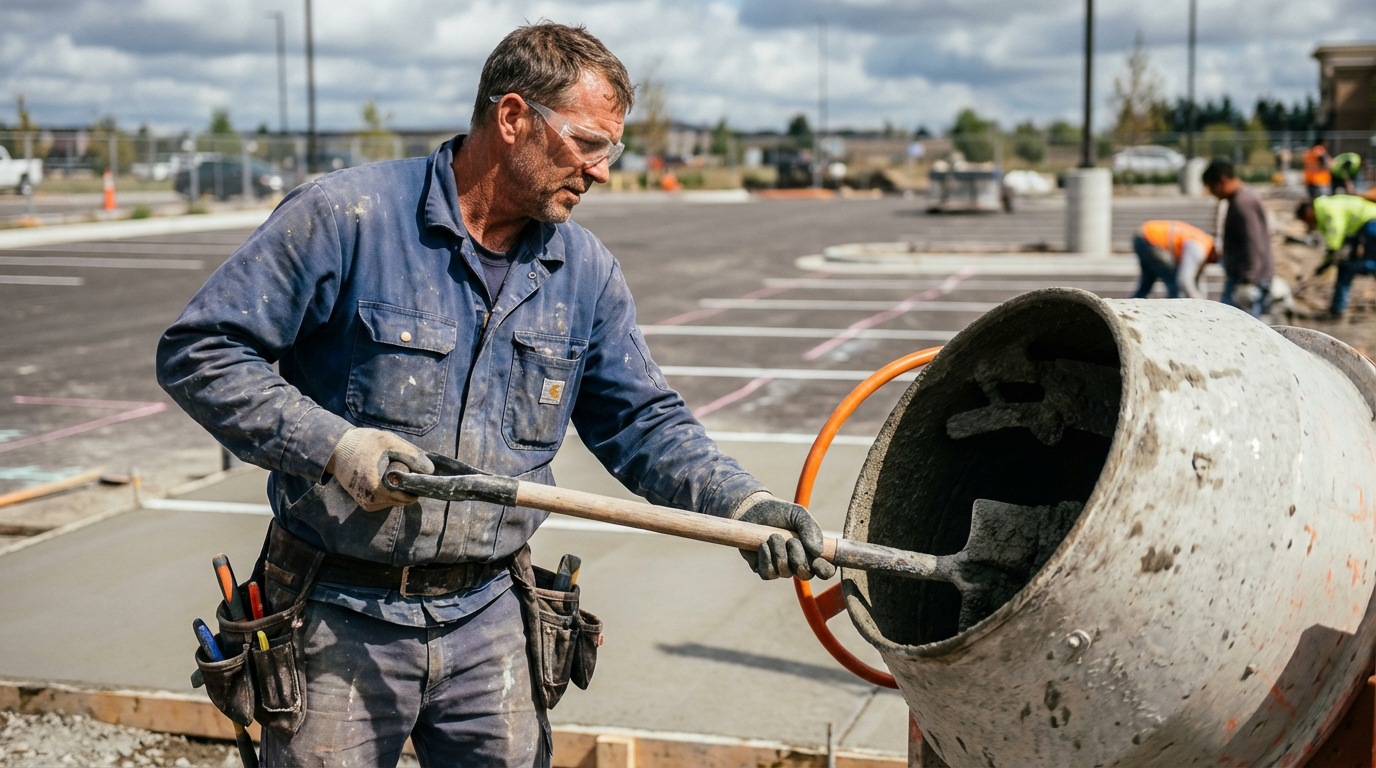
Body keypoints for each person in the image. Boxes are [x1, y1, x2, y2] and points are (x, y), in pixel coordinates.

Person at [157, 23, 833, 768]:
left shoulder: (584, 273)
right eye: (587, 142)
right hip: (337, 612)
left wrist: (740, 505)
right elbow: (202, 353)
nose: (602, 170)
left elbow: (641, 420)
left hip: (490, 620)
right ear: (512, 119)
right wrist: (335, 446)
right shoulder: (347, 219)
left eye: (612, 147)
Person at [1203, 159, 1275, 318]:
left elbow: (1253, 242)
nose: (1213, 194)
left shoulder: (1243, 203)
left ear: (1222, 180)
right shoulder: (1239, 199)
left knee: (1239, 329)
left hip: (1248, 279)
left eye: (1211, 188)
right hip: (1247, 277)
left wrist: (1248, 281)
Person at [1296, 195, 1376, 318]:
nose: (1307, 225)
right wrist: (1326, 262)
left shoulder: (1327, 209)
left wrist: (1331, 256)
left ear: (1308, 212)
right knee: (1345, 267)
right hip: (1359, 227)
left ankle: (1339, 307)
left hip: (1370, 221)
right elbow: (1333, 243)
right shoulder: (1322, 212)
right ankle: (1339, 308)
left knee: (1368, 262)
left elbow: (1335, 232)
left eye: (1305, 220)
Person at [1131, 220, 1218, 299]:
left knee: (1147, 282)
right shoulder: (1199, 248)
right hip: (1151, 239)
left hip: (1144, 235)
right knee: (1174, 283)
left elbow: (1197, 278)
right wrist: (1197, 301)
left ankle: (1131, 306)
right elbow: (1184, 279)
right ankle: (1173, 312)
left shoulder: (1204, 242)